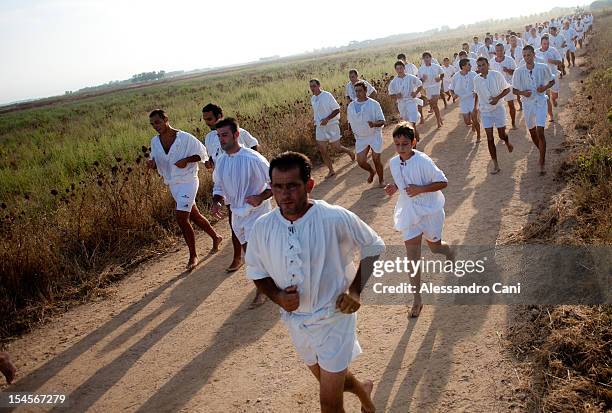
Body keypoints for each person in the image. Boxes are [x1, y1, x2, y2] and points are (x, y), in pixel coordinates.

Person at [245, 151, 384, 413]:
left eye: (292, 186)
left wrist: (355, 291)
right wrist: (277, 296)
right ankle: (364, 392)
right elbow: (256, 271)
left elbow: (374, 246)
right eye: (278, 187)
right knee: (330, 380)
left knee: (329, 404)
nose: (285, 194)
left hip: (334, 317)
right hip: (296, 323)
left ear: (309, 185)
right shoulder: (262, 227)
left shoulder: (333, 217)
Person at [384, 123, 454, 318]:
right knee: (412, 257)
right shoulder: (393, 163)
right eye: (397, 144)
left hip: (430, 210)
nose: (401, 148)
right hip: (409, 212)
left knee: (435, 247)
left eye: (405, 143)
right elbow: (403, 181)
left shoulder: (424, 161)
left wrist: (420, 189)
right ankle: (417, 299)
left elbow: (444, 182)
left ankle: (449, 253)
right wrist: (394, 187)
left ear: (413, 142)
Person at [147, 109, 222, 271]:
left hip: (189, 181)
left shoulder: (185, 138)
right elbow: (155, 160)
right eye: (152, 124)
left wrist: (187, 159)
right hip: (173, 184)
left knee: (181, 218)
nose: (155, 126)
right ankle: (216, 237)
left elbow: (202, 155)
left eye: (158, 122)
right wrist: (152, 164)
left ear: (166, 119)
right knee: (194, 216)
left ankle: (193, 256)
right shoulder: (155, 142)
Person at [210, 117, 272, 307]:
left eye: (225, 135)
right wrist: (217, 202)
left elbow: (275, 184)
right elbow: (218, 186)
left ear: (237, 135)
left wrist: (260, 198)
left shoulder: (254, 159)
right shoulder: (220, 161)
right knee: (249, 251)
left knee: (253, 255)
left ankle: (262, 291)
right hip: (237, 215)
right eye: (219, 136)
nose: (222, 139)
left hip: (257, 213)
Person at [201, 103, 259, 272]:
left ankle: (246, 257)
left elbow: (254, 145)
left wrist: (251, 165)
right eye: (205, 119)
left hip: (246, 184)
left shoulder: (239, 132)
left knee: (250, 222)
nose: (207, 122)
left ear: (220, 115)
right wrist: (210, 162)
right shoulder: (209, 138)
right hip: (226, 184)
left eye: (210, 118)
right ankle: (240, 256)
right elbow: (215, 157)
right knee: (235, 222)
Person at [512, 45, 555, 176]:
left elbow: (552, 81)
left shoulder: (542, 67)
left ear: (533, 55)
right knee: (532, 133)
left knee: (540, 131)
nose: (526, 58)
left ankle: (541, 162)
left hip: (541, 102)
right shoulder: (519, 72)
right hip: (527, 105)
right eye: (524, 56)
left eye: (528, 55)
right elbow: (514, 90)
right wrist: (523, 93)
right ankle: (542, 150)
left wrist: (545, 87)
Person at [473, 57, 514, 174]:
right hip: (485, 112)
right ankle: (496, 164)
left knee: (501, 134)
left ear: (488, 65)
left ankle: (507, 142)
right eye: (479, 66)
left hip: (498, 109)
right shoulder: (476, 79)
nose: (481, 68)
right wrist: (475, 109)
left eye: (483, 65)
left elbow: (507, 90)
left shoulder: (496, 75)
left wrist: (497, 98)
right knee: (490, 138)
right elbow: (476, 93)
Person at [309, 79, 355, 179]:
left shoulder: (327, 95)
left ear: (319, 85)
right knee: (322, 149)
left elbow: (337, 109)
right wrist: (316, 122)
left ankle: (349, 152)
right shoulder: (313, 99)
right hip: (320, 127)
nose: (312, 88)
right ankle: (331, 170)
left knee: (337, 148)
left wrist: (327, 118)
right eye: (311, 86)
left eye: (314, 86)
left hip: (332, 125)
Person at [347, 81, 386, 186]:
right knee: (360, 162)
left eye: (360, 91)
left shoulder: (374, 104)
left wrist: (374, 124)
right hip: (361, 137)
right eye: (356, 91)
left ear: (365, 91)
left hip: (374, 135)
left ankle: (381, 180)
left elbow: (382, 121)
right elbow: (350, 121)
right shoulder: (351, 106)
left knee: (376, 159)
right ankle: (371, 171)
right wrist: (349, 130)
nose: (358, 93)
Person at [388, 60, 424, 141]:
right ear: (395, 70)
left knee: (412, 123)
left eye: (401, 68)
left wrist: (415, 93)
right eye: (397, 69)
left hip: (411, 102)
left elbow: (420, 84)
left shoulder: (411, 77)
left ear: (404, 68)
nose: (399, 70)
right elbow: (391, 94)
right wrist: (396, 96)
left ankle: (413, 144)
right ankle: (416, 136)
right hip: (401, 104)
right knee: (407, 124)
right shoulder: (394, 82)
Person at [450, 58, 481, 140]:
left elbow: (479, 84)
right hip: (463, 101)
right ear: (463, 66)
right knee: (467, 122)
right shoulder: (456, 76)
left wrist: (477, 91)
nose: (471, 66)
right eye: (469, 65)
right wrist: (453, 95)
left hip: (473, 99)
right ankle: (474, 122)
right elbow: (451, 88)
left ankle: (478, 136)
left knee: (474, 118)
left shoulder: (473, 74)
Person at [489, 43, 518, 129]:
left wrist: (508, 70)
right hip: (496, 87)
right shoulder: (491, 62)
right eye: (497, 51)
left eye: (501, 50)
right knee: (497, 106)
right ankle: (501, 124)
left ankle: (513, 123)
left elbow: (515, 72)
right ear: (495, 51)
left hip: (508, 85)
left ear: (504, 50)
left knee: (511, 105)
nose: (499, 52)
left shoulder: (510, 60)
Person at [536, 36, 563, 121]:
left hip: (553, 76)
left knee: (554, 96)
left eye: (547, 43)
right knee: (546, 97)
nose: (546, 45)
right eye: (544, 44)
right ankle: (551, 116)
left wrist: (552, 61)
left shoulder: (553, 50)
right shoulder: (536, 52)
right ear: (541, 43)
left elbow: (560, 61)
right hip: (543, 79)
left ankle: (554, 100)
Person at [418, 51, 445, 128]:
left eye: (427, 57)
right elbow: (419, 81)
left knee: (435, 104)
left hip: (436, 86)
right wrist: (423, 79)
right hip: (427, 88)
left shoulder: (436, 66)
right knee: (433, 105)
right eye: (424, 58)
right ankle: (439, 118)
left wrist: (439, 78)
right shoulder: (421, 69)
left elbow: (442, 73)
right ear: (423, 59)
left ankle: (438, 122)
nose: (426, 59)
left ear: (430, 58)